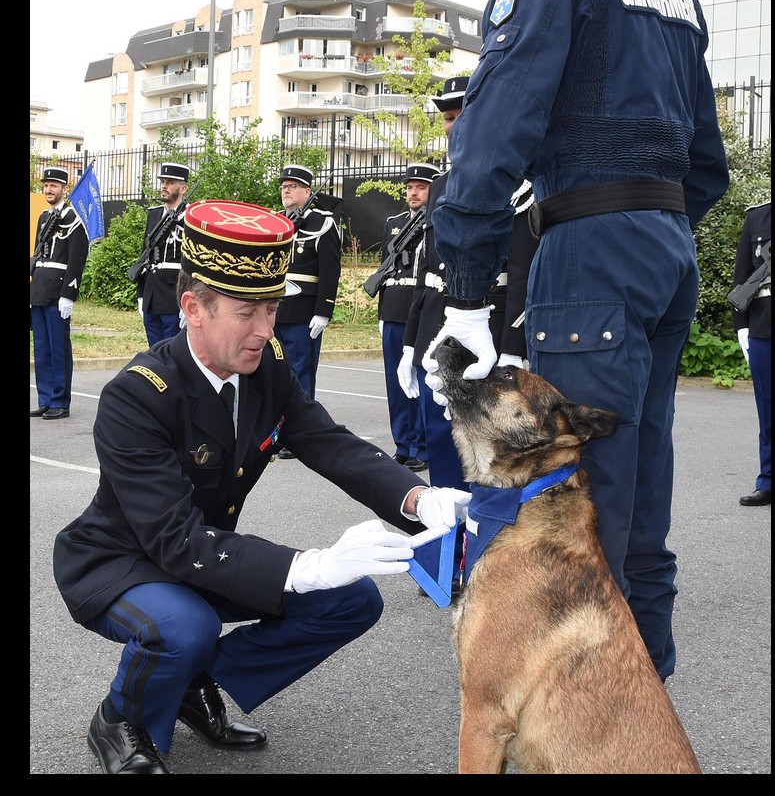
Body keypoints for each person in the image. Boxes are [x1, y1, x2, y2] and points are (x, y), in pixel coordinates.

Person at [411, 0, 730, 681]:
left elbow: (489, 139)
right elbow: (708, 167)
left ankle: (583, 725)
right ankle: (643, 706)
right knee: (639, 486)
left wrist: (470, 298)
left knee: (576, 503)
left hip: (590, 256)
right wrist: (644, 220)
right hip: (665, 247)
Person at [52, 198, 470, 775]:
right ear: (193, 307)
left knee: (351, 599)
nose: (266, 331)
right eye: (247, 313)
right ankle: (120, 718)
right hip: (123, 561)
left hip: (200, 555)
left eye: (272, 310)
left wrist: (419, 499)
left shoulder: (264, 367)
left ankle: (194, 684)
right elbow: (175, 541)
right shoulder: (137, 394)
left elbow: (329, 442)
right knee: (185, 627)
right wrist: (307, 564)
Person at [397, 77, 537, 591]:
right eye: (448, 118)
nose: (454, 126)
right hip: (443, 329)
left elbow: (522, 270)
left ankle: (492, 560)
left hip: (491, 332)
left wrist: (517, 347)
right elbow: (426, 272)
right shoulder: (441, 186)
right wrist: (413, 340)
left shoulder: (519, 183)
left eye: (461, 115)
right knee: (441, 446)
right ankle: (448, 556)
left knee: (493, 452)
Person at [274, 166, 342, 462]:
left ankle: (299, 434)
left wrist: (324, 310)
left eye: (292, 186)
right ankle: (274, 431)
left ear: (306, 191)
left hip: (304, 312)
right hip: (275, 310)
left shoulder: (322, 223)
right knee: (274, 373)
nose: (286, 191)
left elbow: (330, 271)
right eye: (283, 186)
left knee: (300, 375)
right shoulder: (277, 221)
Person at [377, 163, 441, 473]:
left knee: (421, 384)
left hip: (420, 312)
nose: (413, 193)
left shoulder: (438, 221)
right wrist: (381, 313)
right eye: (409, 188)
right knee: (396, 383)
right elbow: (384, 270)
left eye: (421, 187)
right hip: (393, 310)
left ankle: (423, 447)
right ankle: (403, 444)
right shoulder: (395, 222)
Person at [30, 166, 90, 420]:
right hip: (40, 289)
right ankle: (45, 399)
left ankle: (60, 402)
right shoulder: (44, 218)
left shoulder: (74, 220)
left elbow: (77, 260)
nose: (49, 189)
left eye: (54, 185)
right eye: (46, 185)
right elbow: (38, 255)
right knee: (41, 347)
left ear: (65, 189)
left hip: (58, 292)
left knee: (58, 349)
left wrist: (69, 294)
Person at [732, 199, 771, 506]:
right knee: (768, 411)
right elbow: (742, 275)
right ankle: (768, 480)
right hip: (763, 324)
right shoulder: (758, 216)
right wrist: (742, 327)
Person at [137, 162, 191, 347]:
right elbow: (145, 256)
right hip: (152, 294)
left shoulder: (191, 217)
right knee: (154, 352)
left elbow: (193, 261)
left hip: (174, 294)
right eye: (163, 182)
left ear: (183, 188)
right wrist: (141, 294)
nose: (164, 186)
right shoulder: (154, 215)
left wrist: (189, 298)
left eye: (170, 182)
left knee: (173, 351)